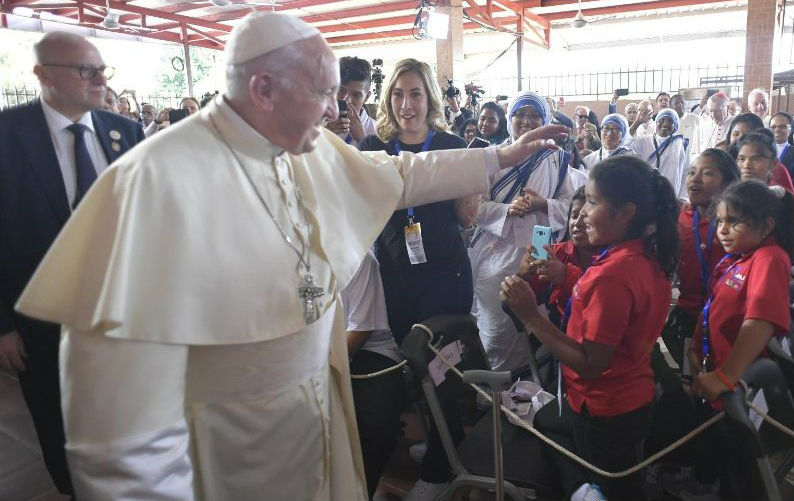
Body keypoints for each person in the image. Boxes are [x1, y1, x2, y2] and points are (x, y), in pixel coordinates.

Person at [14, 13, 565, 501]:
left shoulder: (303, 143)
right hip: (222, 446)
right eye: (325, 94)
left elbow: (399, 174)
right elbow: (115, 406)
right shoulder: (153, 181)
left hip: (313, 418)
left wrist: (498, 156)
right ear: (264, 89)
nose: (336, 112)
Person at [0, 31, 144, 499]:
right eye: (86, 70)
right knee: (56, 415)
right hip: (42, 315)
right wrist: (2, 325)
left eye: (103, 69)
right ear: (42, 75)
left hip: (122, 310)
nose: (101, 79)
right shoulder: (7, 135)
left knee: (128, 411)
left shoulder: (124, 132)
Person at [501, 156, 679, 500]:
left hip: (604, 407)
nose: (581, 214)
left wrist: (531, 317)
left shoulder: (612, 275)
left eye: (594, 203)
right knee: (610, 473)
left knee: (617, 487)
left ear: (625, 213)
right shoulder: (641, 255)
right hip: (630, 392)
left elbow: (590, 363)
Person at [357, 58, 481, 500]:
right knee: (415, 368)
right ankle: (444, 443)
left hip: (445, 274)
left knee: (439, 368)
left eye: (415, 94)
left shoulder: (449, 144)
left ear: (429, 98)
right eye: (397, 94)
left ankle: (440, 470)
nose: (406, 104)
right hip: (395, 274)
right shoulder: (375, 145)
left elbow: (468, 218)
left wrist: (476, 187)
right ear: (387, 99)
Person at [689, 180, 794, 498]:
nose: (723, 229)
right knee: (726, 464)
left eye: (734, 221)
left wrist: (725, 375)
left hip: (734, 387)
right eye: (720, 220)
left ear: (766, 225)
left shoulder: (769, 258)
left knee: (744, 473)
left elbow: (761, 321)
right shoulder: (740, 257)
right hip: (715, 379)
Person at [468, 90, 574, 373]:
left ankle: (528, 384)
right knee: (495, 323)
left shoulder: (558, 158)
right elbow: (473, 209)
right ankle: (495, 387)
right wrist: (505, 210)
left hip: (538, 246)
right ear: (509, 119)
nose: (526, 121)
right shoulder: (492, 157)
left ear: (545, 119)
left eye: (534, 115)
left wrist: (543, 204)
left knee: (534, 315)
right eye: (520, 115)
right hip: (493, 250)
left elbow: (572, 206)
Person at [662, 149, 739, 368]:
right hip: (689, 313)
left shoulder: (736, 222)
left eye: (707, 173)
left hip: (726, 316)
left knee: (722, 377)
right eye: (692, 172)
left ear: (727, 183)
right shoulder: (683, 219)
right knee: (692, 375)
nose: (694, 179)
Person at [340, 251, 405, 499]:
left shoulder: (359, 259)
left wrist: (324, 366)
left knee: (376, 422)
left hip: (371, 348)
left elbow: (360, 331)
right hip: (320, 353)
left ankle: (359, 493)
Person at [518, 187, 599, 328]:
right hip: (562, 327)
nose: (577, 223)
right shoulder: (555, 252)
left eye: (587, 217)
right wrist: (526, 276)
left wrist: (566, 276)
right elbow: (535, 296)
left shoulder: (616, 257)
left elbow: (604, 299)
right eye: (574, 216)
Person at [629, 108, 690, 202]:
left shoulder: (682, 144)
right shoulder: (643, 141)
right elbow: (626, 144)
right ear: (656, 122)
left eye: (670, 121)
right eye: (662, 120)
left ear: (676, 125)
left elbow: (686, 172)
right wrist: (637, 122)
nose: (665, 124)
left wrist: (683, 197)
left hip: (672, 198)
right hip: (647, 196)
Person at [325, 56, 377, 147]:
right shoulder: (314, 127)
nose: (346, 99)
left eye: (356, 95)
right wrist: (322, 135)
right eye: (341, 91)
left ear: (366, 97)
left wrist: (362, 140)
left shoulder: (379, 133)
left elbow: (381, 161)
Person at [770, 111, 794, 190]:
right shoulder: (761, 149)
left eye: (782, 126)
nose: (777, 129)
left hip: (785, 197)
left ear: (791, 129)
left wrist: (778, 182)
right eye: (773, 127)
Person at [690, 92, 733, 161]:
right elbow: (693, 154)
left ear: (728, 108)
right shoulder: (702, 127)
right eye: (711, 111)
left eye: (718, 111)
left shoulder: (736, 125)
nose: (714, 115)